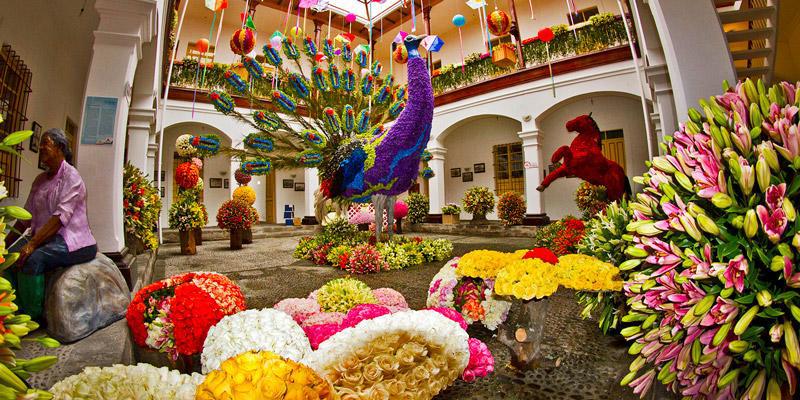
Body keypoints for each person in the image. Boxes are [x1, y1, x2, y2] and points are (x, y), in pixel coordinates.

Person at [5, 128, 97, 321]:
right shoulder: (40, 180)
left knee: (33, 259)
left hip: (72, 241)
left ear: (60, 148)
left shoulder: (72, 177)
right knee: (7, 259)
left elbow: (59, 218)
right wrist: (4, 244)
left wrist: (32, 244)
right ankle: (12, 309)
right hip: (45, 238)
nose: (41, 148)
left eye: (45, 143)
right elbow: (25, 217)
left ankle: (31, 317)